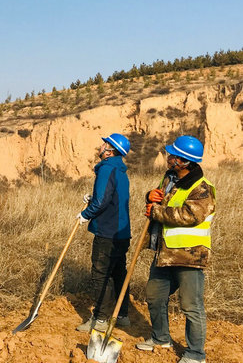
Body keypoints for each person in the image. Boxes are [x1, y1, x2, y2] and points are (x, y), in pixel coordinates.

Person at [136, 135, 216, 363]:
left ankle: (195, 354)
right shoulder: (169, 178)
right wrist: (150, 196)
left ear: (183, 161)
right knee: (154, 296)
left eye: (173, 155)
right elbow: (160, 200)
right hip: (165, 253)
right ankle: (161, 338)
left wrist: (156, 212)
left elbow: (190, 215)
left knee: (191, 306)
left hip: (189, 256)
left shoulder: (202, 188)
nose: (168, 157)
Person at [75, 133, 132, 333]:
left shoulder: (107, 168)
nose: (101, 146)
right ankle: (121, 315)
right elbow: (111, 197)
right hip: (122, 233)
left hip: (107, 232)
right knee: (118, 273)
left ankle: (100, 319)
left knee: (100, 275)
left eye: (104, 144)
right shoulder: (120, 170)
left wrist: (85, 214)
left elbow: (102, 202)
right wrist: (93, 198)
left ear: (109, 151)